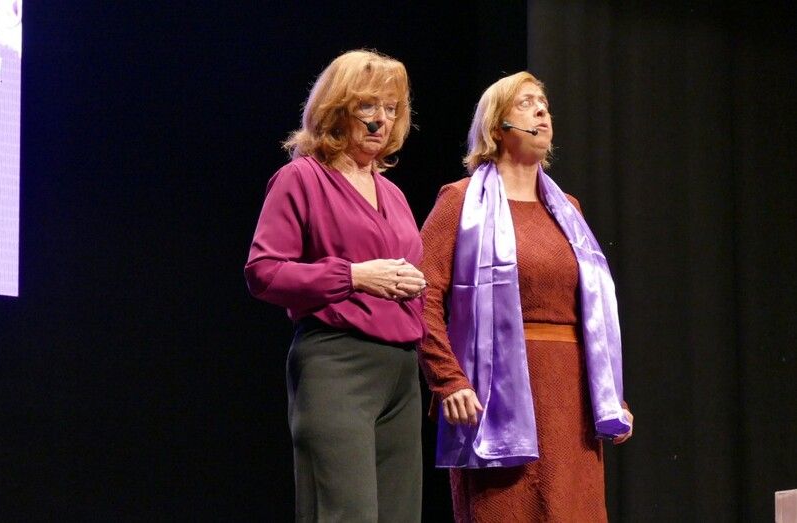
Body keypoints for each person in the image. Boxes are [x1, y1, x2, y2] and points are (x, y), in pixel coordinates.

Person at [417, 71, 634, 522]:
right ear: (497, 126)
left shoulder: (567, 210)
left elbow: (590, 314)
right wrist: (448, 379)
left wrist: (611, 395)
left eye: (544, 104)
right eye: (526, 103)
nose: (541, 111)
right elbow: (421, 295)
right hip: (496, 399)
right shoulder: (460, 202)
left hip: (570, 399)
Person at [244, 50, 427, 522]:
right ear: (337, 109)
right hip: (338, 363)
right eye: (368, 106)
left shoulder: (394, 194)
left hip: (401, 372)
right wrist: (353, 276)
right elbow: (264, 271)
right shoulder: (301, 178)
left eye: (391, 108)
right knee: (345, 513)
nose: (381, 120)